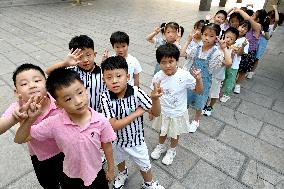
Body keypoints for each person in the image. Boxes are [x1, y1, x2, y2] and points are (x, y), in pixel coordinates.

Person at [14, 68, 116, 189]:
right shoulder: (54, 123)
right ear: (58, 104)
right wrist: (30, 120)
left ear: (86, 90)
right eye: (68, 99)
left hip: (96, 172)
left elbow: (107, 145)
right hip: (70, 176)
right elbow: (20, 139)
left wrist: (111, 168)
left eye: (80, 93)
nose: (78, 101)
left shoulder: (100, 120)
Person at [100, 56, 164, 189]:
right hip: (116, 140)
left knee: (144, 164)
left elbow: (155, 113)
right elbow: (113, 125)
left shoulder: (136, 92)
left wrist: (155, 100)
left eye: (119, 75)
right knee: (119, 160)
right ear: (104, 80)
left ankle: (148, 183)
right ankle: (122, 173)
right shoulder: (104, 97)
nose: (114, 81)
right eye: (109, 77)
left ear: (128, 76)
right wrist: (136, 113)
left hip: (136, 140)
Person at [0, 63, 67, 188]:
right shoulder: (19, 108)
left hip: (66, 151)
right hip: (41, 157)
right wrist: (15, 118)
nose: (32, 85)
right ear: (16, 92)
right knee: (48, 183)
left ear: (47, 84)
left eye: (37, 80)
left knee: (69, 180)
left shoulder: (58, 100)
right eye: (24, 84)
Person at [150, 44, 203, 165]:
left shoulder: (184, 75)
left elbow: (199, 90)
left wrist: (199, 79)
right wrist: (153, 109)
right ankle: (161, 146)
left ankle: (172, 150)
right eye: (163, 62)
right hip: (163, 112)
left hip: (177, 113)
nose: (168, 65)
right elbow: (153, 94)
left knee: (175, 133)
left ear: (177, 60)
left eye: (171, 61)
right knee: (162, 131)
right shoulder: (158, 76)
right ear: (159, 63)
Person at [46, 35, 105, 112]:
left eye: (88, 55)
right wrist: (65, 63)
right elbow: (48, 72)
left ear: (94, 54)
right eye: (80, 57)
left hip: (98, 112)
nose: (85, 60)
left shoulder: (103, 73)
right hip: (78, 113)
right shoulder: (71, 71)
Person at [183, 23, 224, 132]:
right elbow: (183, 54)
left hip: (204, 81)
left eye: (211, 36)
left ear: (216, 38)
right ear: (201, 34)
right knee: (187, 97)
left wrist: (224, 49)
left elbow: (227, 63)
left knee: (200, 101)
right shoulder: (197, 48)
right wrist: (188, 40)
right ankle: (183, 117)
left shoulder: (216, 53)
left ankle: (196, 120)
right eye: (205, 34)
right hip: (191, 79)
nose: (207, 38)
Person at [202, 27, 238, 116]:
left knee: (214, 93)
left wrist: (229, 55)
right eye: (227, 37)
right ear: (223, 36)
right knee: (206, 91)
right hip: (209, 74)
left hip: (218, 76)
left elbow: (228, 63)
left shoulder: (230, 51)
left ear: (234, 41)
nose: (228, 40)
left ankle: (210, 106)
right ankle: (204, 105)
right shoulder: (216, 47)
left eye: (232, 39)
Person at [233, 8, 267, 94]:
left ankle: (238, 85)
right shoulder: (248, 26)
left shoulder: (258, 26)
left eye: (253, 15)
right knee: (235, 67)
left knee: (243, 70)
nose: (251, 16)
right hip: (239, 50)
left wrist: (240, 11)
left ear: (258, 19)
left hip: (248, 52)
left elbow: (247, 18)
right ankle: (231, 81)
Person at [220, 21, 250, 102]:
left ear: (247, 31)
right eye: (242, 26)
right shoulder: (229, 35)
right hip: (224, 63)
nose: (243, 29)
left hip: (234, 65)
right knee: (223, 77)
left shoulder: (245, 42)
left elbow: (240, 54)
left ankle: (226, 94)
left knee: (230, 79)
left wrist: (242, 47)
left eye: (246, 29)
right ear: (238, 26)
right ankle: (221, 90)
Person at [249, 5, 279, 79]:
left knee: (257, 58)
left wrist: (275, 9)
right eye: (268, 15)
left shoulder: (273, 26)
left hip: (263, 43)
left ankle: (251, 72)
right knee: (252, 55)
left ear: (273, 18)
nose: (268, 17)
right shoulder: (262, 24)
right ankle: (248, 69)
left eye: (270, 16)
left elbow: (277, 19)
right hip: (257, 40)